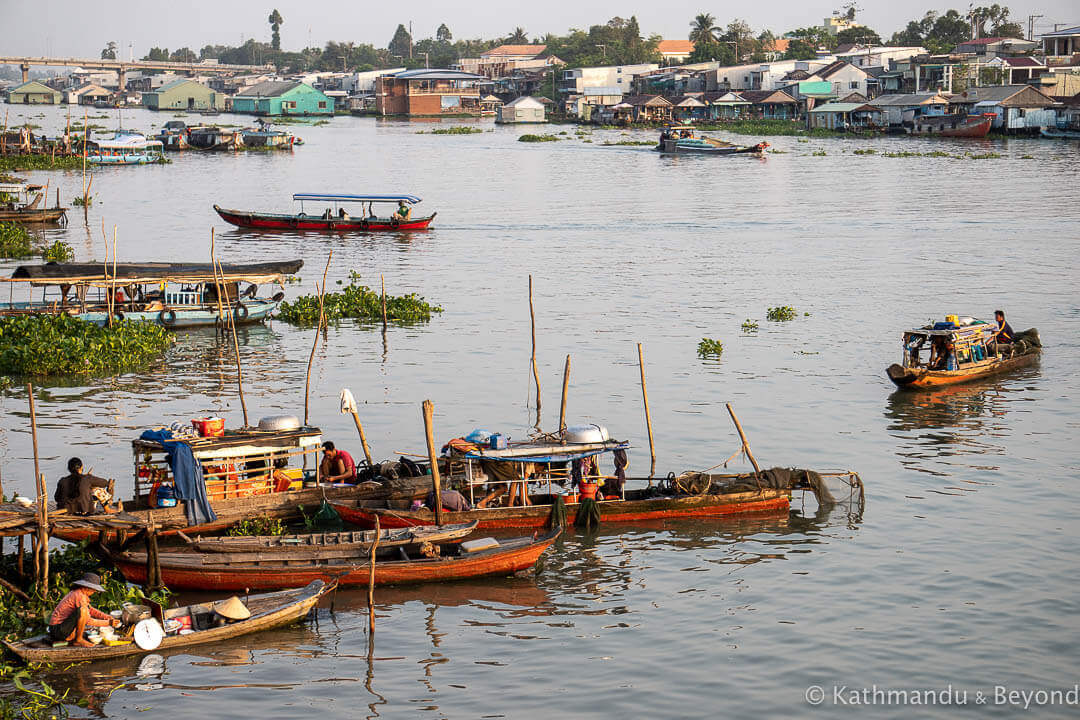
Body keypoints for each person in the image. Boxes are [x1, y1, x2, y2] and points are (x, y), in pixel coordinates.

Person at [48, 573, 120, 647]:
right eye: (94, 590)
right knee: (83, 611)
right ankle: (79, 640)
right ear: (87, 588)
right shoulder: (79, 596)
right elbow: (87, 620)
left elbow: (90, 609)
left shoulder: (79, 593)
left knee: (84, 611)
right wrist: (108, 623)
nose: (94, 592)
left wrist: (106, 617)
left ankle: (74, 637)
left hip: (59, 628)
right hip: (58, 630)